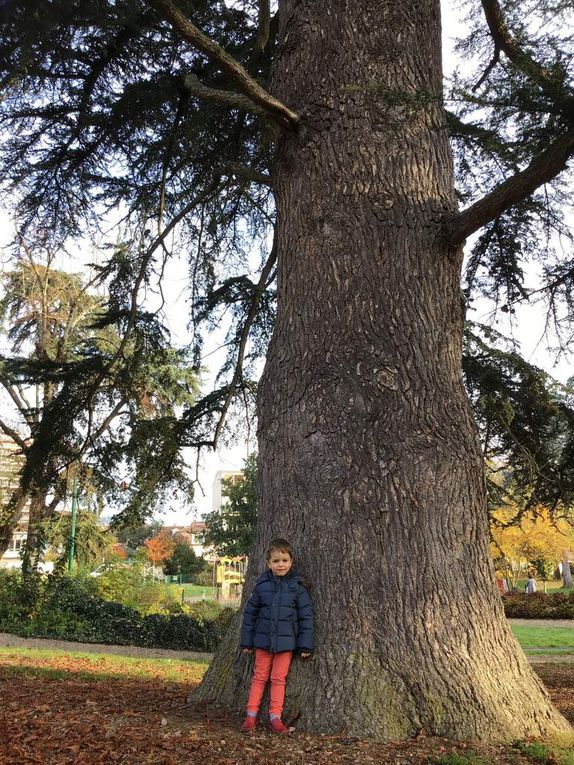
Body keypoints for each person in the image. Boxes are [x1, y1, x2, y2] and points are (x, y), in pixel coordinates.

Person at [239, 538, 314, 734]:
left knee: (279, 679)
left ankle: (275, 717)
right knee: (259, 677)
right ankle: (251, 716)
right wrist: (246, 641)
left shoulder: (297, 587)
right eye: (276, 561)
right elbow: (250, 614)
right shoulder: (261, 585)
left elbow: (306, 616)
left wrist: (305, 645)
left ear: (291, 562)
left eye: (284, 560)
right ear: (268, 563)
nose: (280, 564)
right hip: (263, 642)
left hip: (286, 643)